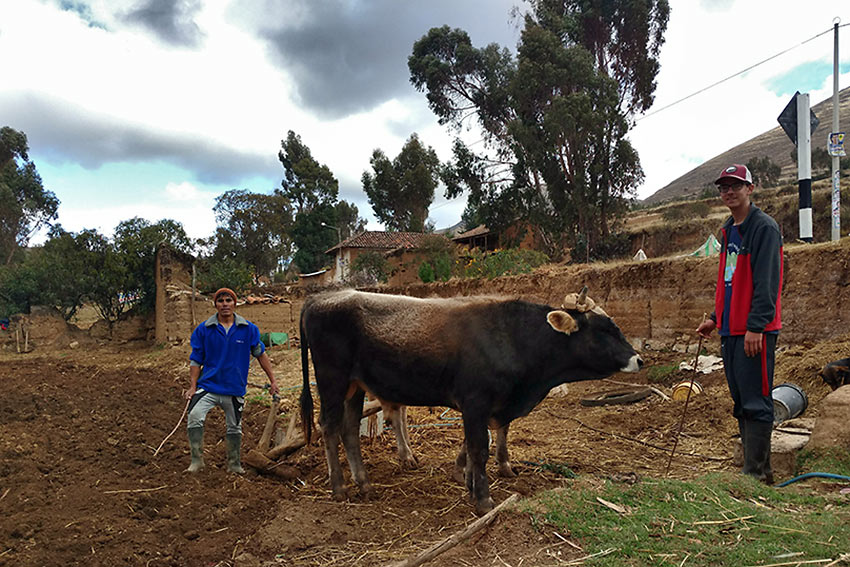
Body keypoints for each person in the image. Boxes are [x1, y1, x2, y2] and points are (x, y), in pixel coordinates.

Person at [696, 164, 783, 484]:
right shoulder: (728, 230)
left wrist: (757, 326)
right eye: (723, 187)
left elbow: (767, 282)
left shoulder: (764, 228)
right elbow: (729, 280)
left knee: (756, 400)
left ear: (751, 188)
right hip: (731, 331)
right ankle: (757, 470)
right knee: (740, 400)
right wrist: (715, 318)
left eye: (735, 185)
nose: (728, 192)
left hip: (753, 332)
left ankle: (756, 474)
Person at [185, 287, 279, 473]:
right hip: (209, 386)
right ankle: (197, 461)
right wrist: (192, 386)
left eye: (228, 300)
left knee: (234, 427)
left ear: (235, 303)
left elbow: (261, 355)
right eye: (221, 301)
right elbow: (196, 359)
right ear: (216, 305)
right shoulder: (204, 330)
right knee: (194, 416)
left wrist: (273, 381)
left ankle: (234, 464)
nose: (225, 304)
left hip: (234, 388)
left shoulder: (248, 329)